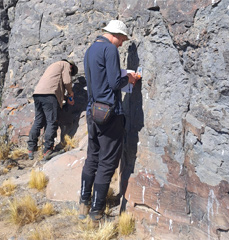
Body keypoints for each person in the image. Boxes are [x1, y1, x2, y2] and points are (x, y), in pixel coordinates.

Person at [79, 20, 140, 222]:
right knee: (107, 163)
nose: (122, 43)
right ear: (114, 34)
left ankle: (83, 204)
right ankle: (97, 213)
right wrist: (129, 78)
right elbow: (115, 82)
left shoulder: (90, 49)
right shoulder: (110, 49)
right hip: (109, 114)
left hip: (92, 112)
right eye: (122, 38)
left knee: (92, 158)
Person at [27, 59, 78, 161]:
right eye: (71, 73)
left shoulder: (53, 66)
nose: (70, 73)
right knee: (52, 122)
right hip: (49, 96)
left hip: (38, 94)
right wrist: (71, 93)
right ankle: (47, 151)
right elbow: (67, 81)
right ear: (71, 67)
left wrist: (66, 98)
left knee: (38, 121)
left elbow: (54, 87)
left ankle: (31, 148)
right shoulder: (66, 64)